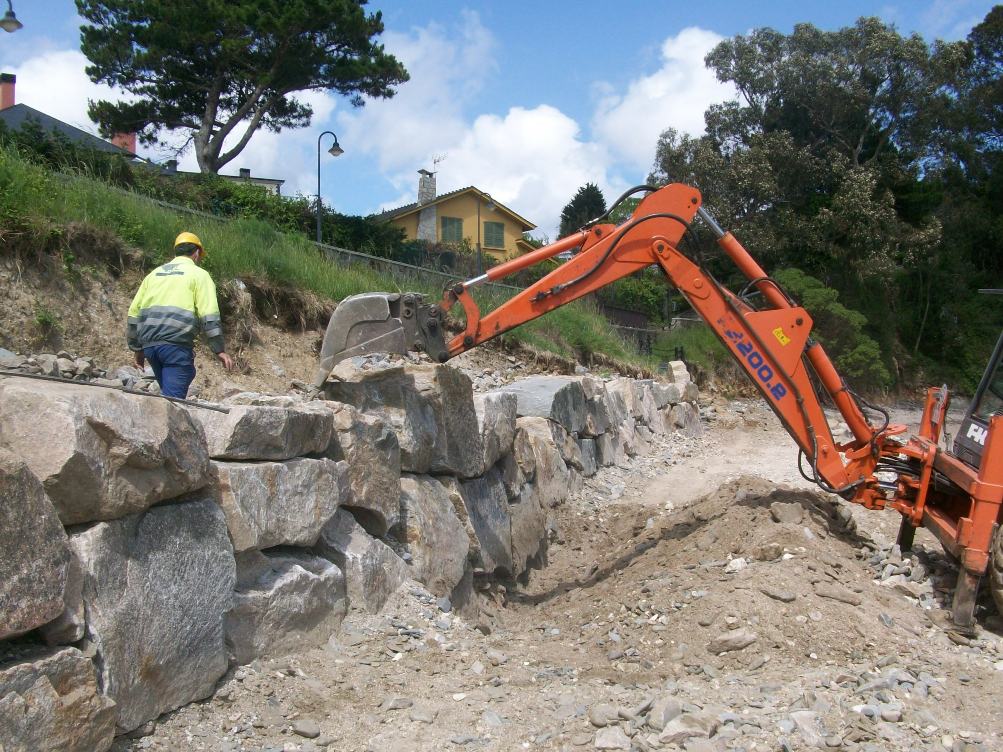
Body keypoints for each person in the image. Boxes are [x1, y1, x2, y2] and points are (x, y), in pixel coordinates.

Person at [127, 232, 234, 398]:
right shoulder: (199, 275)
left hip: (150, 347)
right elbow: (209, 315)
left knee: (167, 398)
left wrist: (138, 350)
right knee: (173, 403)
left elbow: (134, 313)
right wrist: (218, 349)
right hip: (175, 346)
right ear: (197, 253)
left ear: (175, 252)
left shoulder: (154, 275)